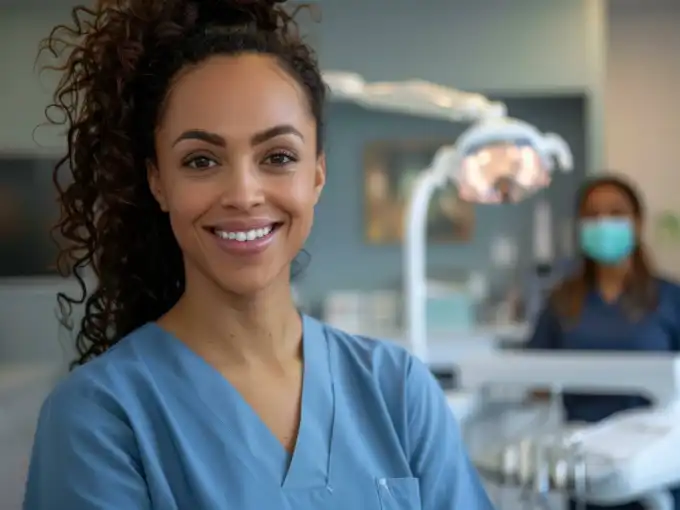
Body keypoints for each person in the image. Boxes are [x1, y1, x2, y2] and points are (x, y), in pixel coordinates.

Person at [22, 1, 495, 509]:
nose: (244, 193)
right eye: (201, 160)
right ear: (158, 182)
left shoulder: (397, 393)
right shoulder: (102, 418)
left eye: (278, 157)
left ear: (316, 174)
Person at [527, 174, 680, 510]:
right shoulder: (562, 302)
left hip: (654, 468)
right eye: (592, 215)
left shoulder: (669, 299)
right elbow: (532, 382)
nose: (603, 223)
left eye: (615, 213)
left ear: (637, 223)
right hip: (584, 468)